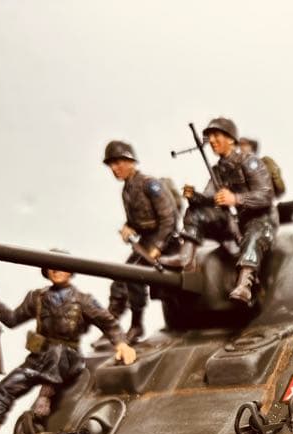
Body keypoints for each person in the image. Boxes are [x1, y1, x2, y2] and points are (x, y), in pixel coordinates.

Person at [0, 261, 137, 434]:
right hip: (39, 358)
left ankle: (44, 399)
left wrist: (121, 344)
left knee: (57, 354)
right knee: (5, 387)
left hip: (69, 358)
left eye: (60, 266)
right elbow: (12, 318)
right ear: (46, 272)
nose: (56, 270)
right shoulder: (37, 297)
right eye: (51, 267)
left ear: (70, 271)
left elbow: (107, 322)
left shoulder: (83, 300)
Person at [181, 117, 276, 306]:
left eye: (216, 135)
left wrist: (236, 199)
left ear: (231, 139)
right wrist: (194, 197)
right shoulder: (217, 170)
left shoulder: (250, 162)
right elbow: (210, 198)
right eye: (209, 137)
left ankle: (245, 284)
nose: (212, 141)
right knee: (196, 213)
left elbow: (266, 195)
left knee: (254, 235)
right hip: (232, 221)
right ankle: (187, 262)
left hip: (259, 218)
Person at [103, 140, 179, 343]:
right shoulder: (127, 190)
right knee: (120, 279)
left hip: (166, 241)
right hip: (145, 242)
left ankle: (136, 326)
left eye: (118, 163)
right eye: (111, 164)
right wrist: (128, 228)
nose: (114, 168)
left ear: (130, 162)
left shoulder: (149, 184)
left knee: (133, 275)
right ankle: (110, 326)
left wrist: (158, 247)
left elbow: (169, 218)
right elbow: (136, 220)